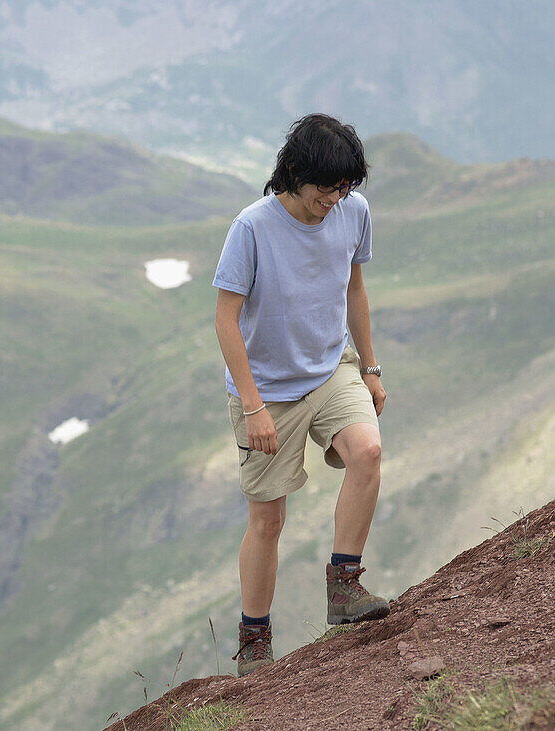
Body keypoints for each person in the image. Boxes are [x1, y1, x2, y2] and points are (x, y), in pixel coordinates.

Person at [212, 113, 389, 678]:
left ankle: (344, 587)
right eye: (325, 188)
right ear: (293, 174)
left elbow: (354, 287)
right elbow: (225, 320)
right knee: (268, 521)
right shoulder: (252, 227)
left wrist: (370, 367)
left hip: (331, 366)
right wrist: (254, 405)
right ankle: (256, 644)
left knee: (368, 452)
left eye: (345, 187)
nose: (334, 200)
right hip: (268, 391)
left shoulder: (353, 212)